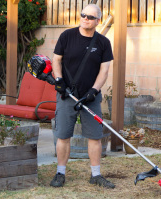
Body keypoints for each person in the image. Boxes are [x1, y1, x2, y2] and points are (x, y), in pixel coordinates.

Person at [50, 4, 115, 189]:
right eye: (83, 15)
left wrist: (93, 91)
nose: (85, 18)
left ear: (98, 21)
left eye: (90, 17)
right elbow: (56, 59)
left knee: (94, 136)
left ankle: (96, 175)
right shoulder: (67, 36)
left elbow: (104, 70)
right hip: (67, 96)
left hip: (90, 98)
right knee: (63, 135)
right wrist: (59, 80)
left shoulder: (103, 42)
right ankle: (60, 173)